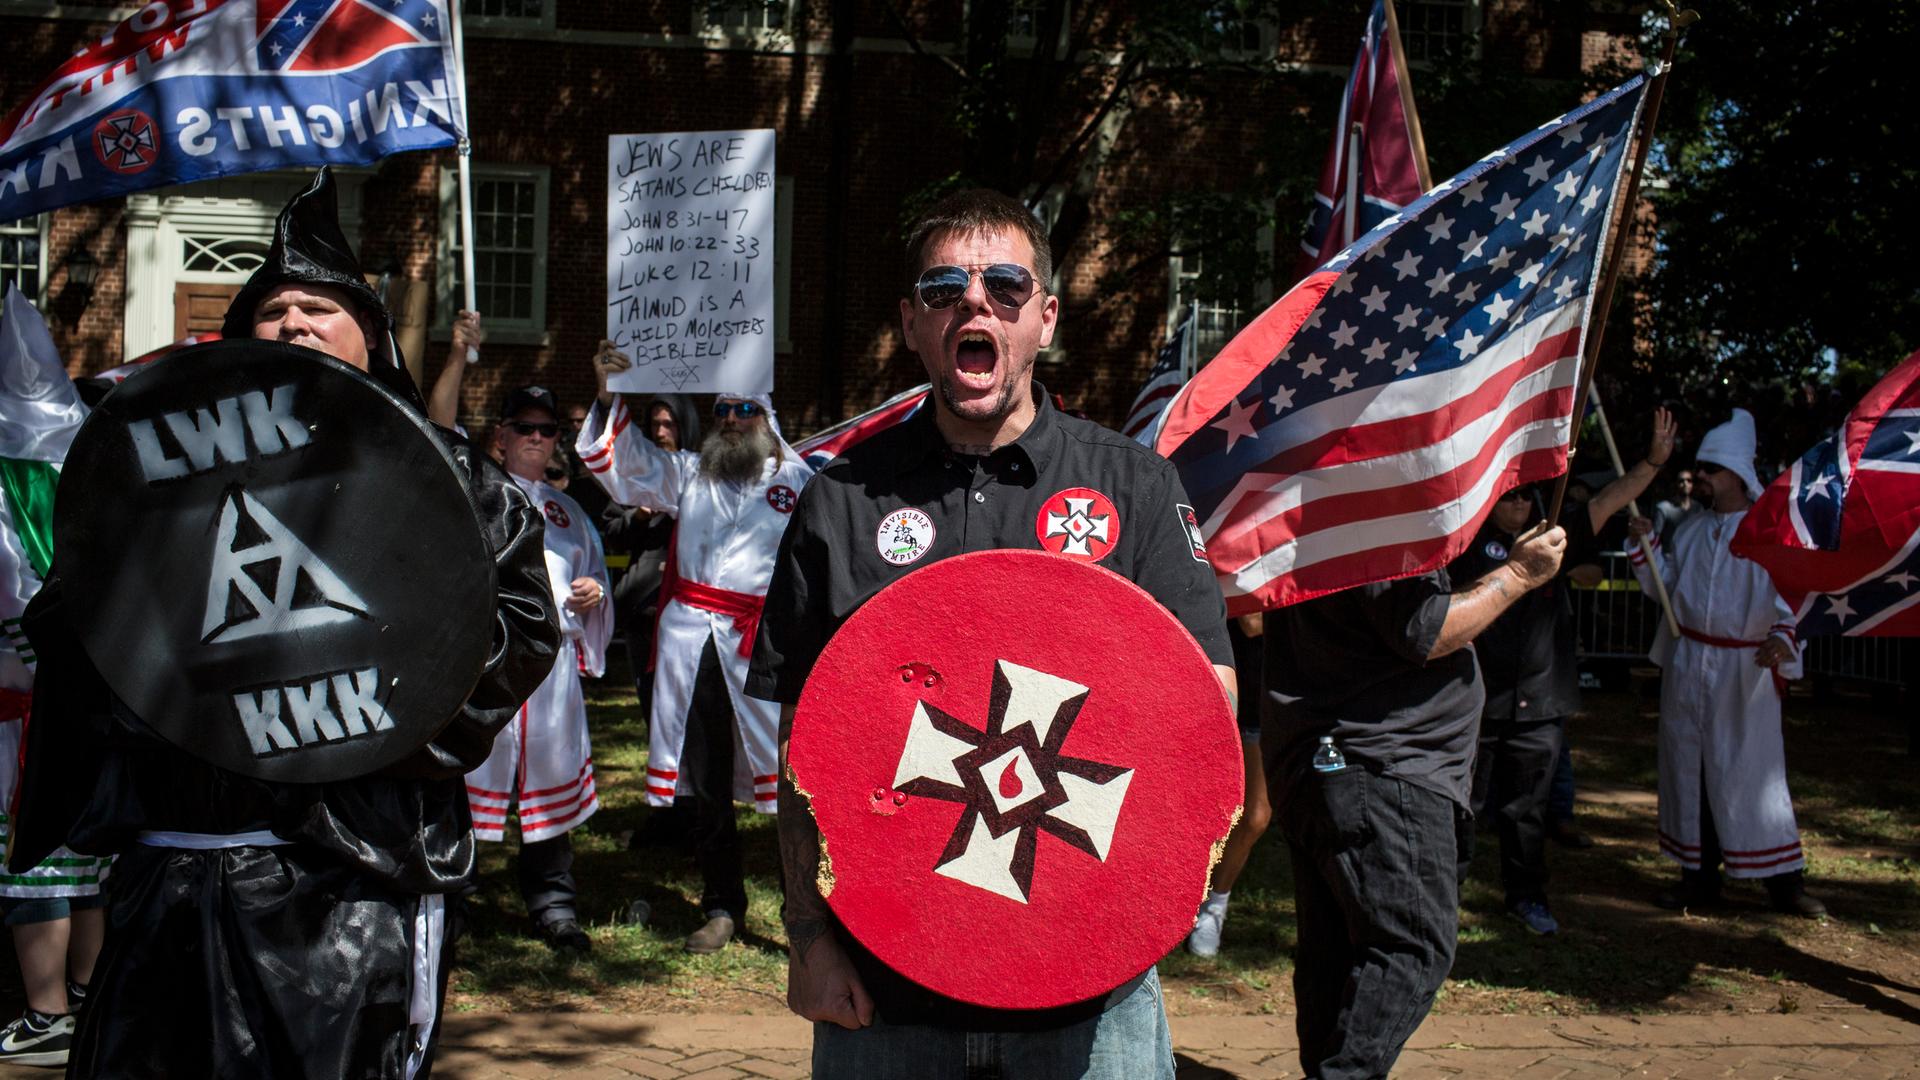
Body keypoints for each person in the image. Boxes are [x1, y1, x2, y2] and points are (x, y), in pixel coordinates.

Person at [8, 168, 560, 1077]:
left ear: (372, 339)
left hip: (345, 884)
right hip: (168, 874)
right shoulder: (157, 487)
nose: (292, 323)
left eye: (317, 308)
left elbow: (512, 636)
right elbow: (88, 632)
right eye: (272, 311)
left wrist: (360, 726)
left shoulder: (453, 483)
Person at [747, 188, 1237, 1079]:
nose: (976, 303)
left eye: (1007, 285)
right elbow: (801, 751)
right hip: (884, 994)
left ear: (1044, 317)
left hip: (1092, 996)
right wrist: (807, 939)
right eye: (944, 288)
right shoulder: (842, 503)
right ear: (911, 322)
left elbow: (1204, 711)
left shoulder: (1133, 488)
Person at [1264, 510, 1565, 1078]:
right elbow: (1425, 630)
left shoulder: (1321, 510)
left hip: (1331, 763)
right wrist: (1519, 576)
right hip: (1381, 767)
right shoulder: (1379, 516)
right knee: (1412, 945)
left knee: (1338, 952)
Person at [576, 361, 812, 954]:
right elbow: (626, 469)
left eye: (745, 412)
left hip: (765, 643)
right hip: (696, 643)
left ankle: (803, 909)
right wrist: (611, 395)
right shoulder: (686, 474)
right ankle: (721, 903)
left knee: (791, 779)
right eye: (723, 413)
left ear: (767, 419)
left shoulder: (800, 481)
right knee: (706, 777)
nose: (732, 423)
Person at [1447, 408, 1677, 936]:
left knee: (1526, 812)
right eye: (1510, 497)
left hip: (1540, 702)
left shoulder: (1553, 535)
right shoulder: (1464, 542)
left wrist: (1651, 463)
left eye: (1526, 497)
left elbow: (1607, 501)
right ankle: (1448, 898)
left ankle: (1526, 898)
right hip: (1474, 700)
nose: (1520, 505)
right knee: (1464, 807)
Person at [1626, 408, 1825, 917]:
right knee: (1689, 771)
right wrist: (1645, 546)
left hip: (1745, 672)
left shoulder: (1768, 536)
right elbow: (1667, 592)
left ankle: (1784, 884)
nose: (1702, 480)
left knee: (1750, 774)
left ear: (1736, 473)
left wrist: (1784, 636)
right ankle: (1697, 878)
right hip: (1690, 663)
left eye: (1711, 471)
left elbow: (1793, 599)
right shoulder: (1691, 531)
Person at [465, 386, 613, 953]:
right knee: (468, 778)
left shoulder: (569, 511)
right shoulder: (475, 494)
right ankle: (457, 899)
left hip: (550, 672)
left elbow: (596, 574)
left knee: (548, 778)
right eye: (523, 426)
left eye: (547, 429)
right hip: (486, 662)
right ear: (499, 437)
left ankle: (553, 904)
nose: (535, 436)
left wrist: (596, 592)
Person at [1188, 613, 1271, 957]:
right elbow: (1252, 620)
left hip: (1267, 702)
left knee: (1255, 816)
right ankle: (1178, 901)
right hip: (1218, 694)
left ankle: (1214, 906)